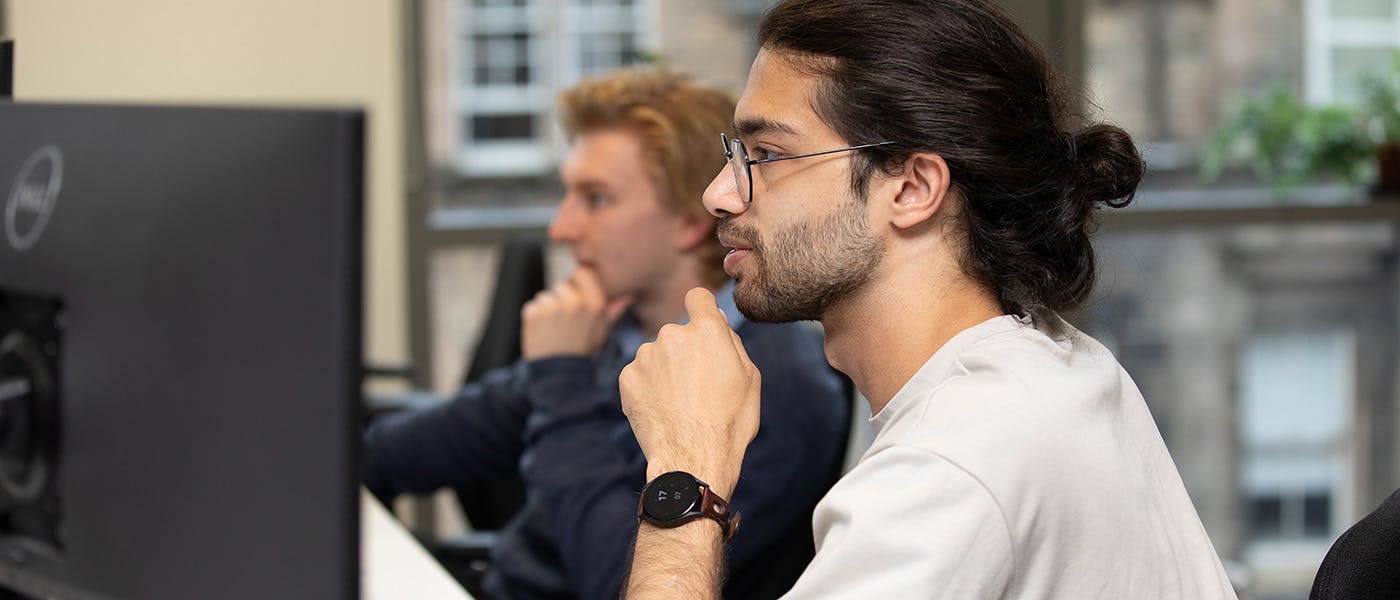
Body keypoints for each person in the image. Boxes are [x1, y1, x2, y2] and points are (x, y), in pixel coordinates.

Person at [617, 1, 1238, 598]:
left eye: (768, 155)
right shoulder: (1059, 367)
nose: (719, 194)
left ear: (913, 188)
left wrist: (684, 466)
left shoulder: (952, 462)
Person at [362, 67, 848, 600]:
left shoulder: (779, 388)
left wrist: (559, 374)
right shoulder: (617, 334)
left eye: (595, 199)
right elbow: (401, 453)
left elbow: (617, 582)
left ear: (688, 221)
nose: (562, 228)